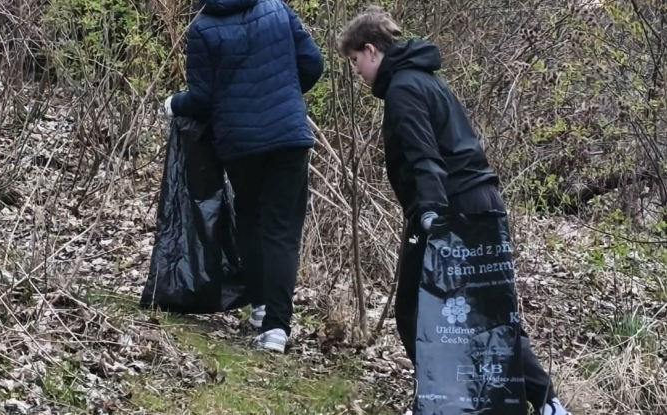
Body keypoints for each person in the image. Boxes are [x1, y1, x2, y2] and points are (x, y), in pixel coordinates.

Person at [337, 6, 571, 415]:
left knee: (415, 311)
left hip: (450, 210)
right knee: (489, 313)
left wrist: (430, 213)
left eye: (355, 60)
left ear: (371, 50)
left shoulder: (403, 89)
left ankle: (440, 402)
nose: (357, 71)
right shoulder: (426, 79)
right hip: (479, 204)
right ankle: (549, 403)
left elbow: (424, 154)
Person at [163, 0, 324, 353]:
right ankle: (277, 328)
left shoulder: (203, 27)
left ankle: (261, 305)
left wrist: (174, 104)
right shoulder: (276, 8)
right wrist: (284, 94)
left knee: (249, 217)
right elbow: (313, 64)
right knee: (282, 231)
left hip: (240, 143)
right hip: (288, 137)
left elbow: (202, 98)